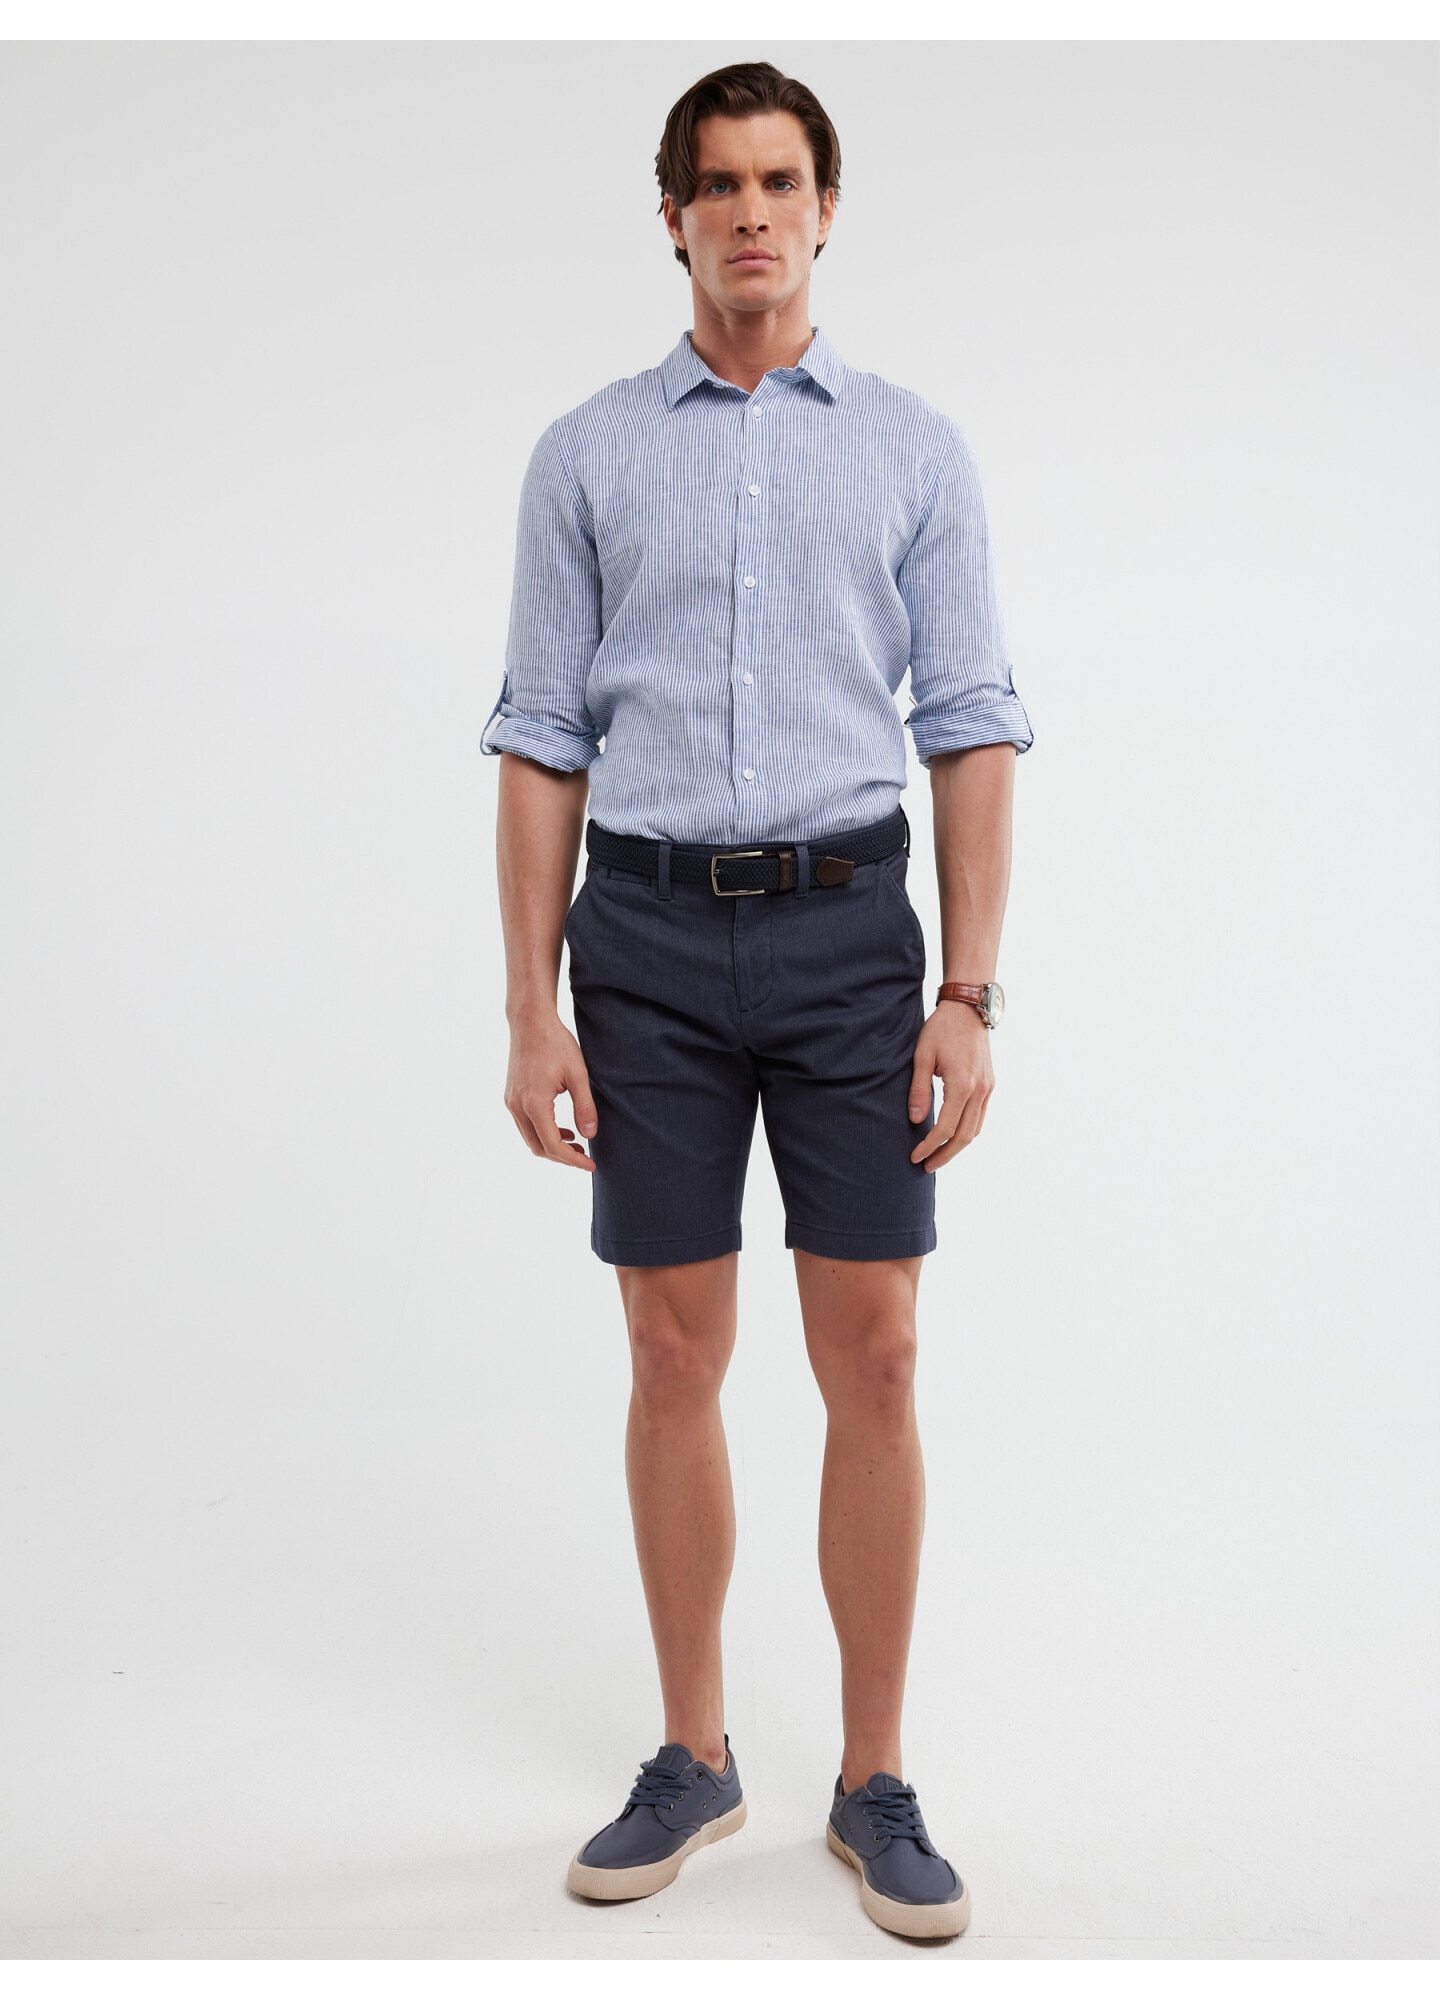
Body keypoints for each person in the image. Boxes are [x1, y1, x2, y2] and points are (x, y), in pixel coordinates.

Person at [481, 59, 1033, 1943]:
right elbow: (540, 739)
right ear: (673, 219)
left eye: (779, 180)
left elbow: (972, 726)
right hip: (640, 946)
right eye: (715, 184)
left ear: (824, 209)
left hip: (847, 936)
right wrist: (530, 1007)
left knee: (874, 1352)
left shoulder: (915, 452)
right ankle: (693, 1754)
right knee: (669, 1353)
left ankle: (873, 1783)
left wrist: (969, 991)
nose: (749, 212)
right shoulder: (585, 456)